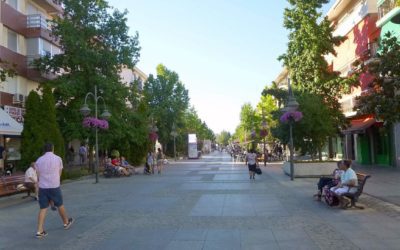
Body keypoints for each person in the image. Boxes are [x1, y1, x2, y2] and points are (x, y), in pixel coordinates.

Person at [35, 143, 74, 239]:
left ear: (44, 150)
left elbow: (38, 174)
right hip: (54, 186)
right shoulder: (58, 158)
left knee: (43, 208)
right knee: (59, 204)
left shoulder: (39, 160)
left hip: (43, 187)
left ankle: (39, 231)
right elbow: (60, 172)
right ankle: (66, 222)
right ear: (53, 148)